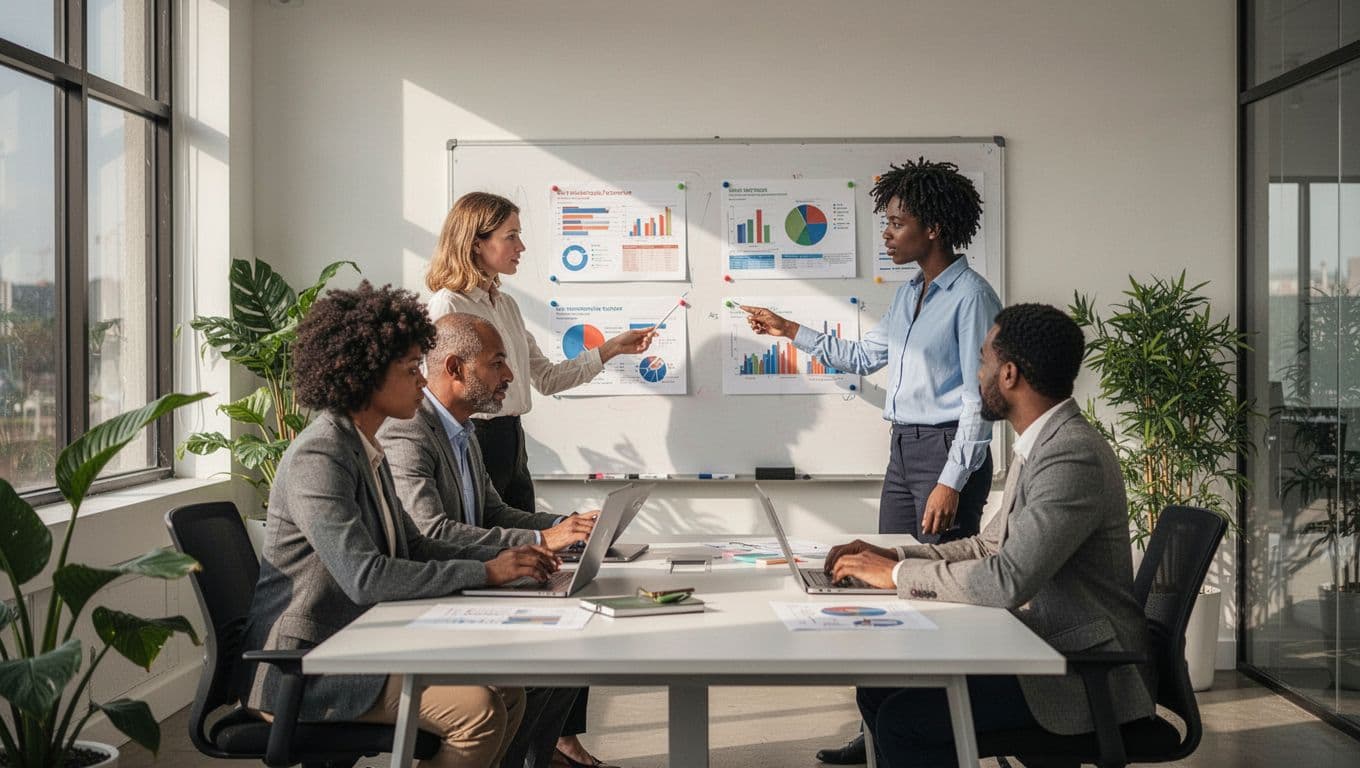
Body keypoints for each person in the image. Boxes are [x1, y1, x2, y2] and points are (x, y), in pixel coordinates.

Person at [239, 282, 575, 768]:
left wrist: (510, 563)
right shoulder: (321, 453)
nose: (423, 379)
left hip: (357, 641)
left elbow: (415, 545)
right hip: (310, 664)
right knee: (477, 711)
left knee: (508, 692)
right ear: (364, 376)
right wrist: (487, 572)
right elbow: (366, 576)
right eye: (409, 369)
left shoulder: (362, 447)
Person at [742, 159, 1002, 764]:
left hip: (944, 456)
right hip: (904, 446)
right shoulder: (911, 293)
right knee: (875, 581)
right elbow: (861, 357)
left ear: (934, 228)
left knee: (933, 595)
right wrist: (790, 329)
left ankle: (934, 729)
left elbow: (978, 399)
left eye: (897, 223)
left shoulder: (972, 298)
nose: (886, 233)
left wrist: (950, 481)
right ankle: (878, 728)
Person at [825, 303, 1155, 768]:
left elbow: (1007, 580)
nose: (976, 375)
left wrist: (897, 573)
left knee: (907, 719)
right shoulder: (1041, 443)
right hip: (1041, 646)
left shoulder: (1071, 456)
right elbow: (989, 544)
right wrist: (893, 552)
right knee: (881, 687)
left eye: (982, 361)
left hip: (1076, 672)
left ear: (1010, 374)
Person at [427, 191, 652, 768]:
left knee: (554, 575)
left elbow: (546, 377)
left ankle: (551, 736)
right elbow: (446, 393)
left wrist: (612, 352)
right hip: (472, 439)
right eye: (511, 235)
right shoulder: (449, 306)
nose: (521, 246)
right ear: (476, 240)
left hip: (509, 444)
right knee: (499, 581)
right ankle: (511, 733)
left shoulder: (505, 304)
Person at [379, 312, 599, 551]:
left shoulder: (463, 430)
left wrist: (566, 525)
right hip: (445, 585)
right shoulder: (408, 433)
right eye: (497, 364)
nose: (509, 375)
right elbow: (432, 534)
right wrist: (543, 539)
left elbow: (492, 514)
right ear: (455, 368)